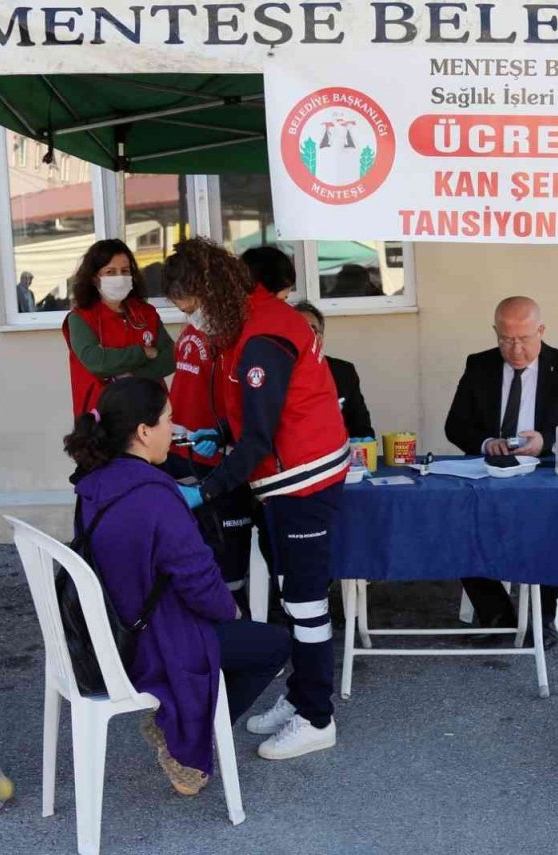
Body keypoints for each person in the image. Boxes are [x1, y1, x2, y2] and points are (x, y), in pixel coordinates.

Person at [164, 240, 348, 761]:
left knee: (306, 601)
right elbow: (246, 416)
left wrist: (206, 488)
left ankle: (317, 718)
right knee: (292, 595)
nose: (191, 321)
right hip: (280, 479)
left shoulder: (263, 336)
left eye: (191, 308)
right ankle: (300, 694)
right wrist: (215, 433)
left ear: (214, 293)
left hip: (302, 481)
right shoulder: (242, 324)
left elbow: (260, 439)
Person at [64, 378, 290, 795]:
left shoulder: (93, 482)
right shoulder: (154, 494)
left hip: (103, 635)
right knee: (273, 645)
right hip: (151, 644)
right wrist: (231, 610)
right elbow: (200, 580)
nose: (175, 428)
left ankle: (181, 720)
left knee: (240, 637)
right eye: (168, 419)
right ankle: (182, 733)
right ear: (144, 431)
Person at [444, 296, 558, 647]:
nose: (515, 349)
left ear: (541, 331)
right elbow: (455, 426)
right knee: (454, 516)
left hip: (548, 469)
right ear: (495, 333)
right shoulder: (479, 365)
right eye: (506, 339)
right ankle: (497, 614)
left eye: (524, 339)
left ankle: (540, 617)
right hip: (493, 469)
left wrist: (546, 440)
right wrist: (486, 442)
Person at [165, 252, 257, 614]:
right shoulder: (202, 335)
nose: (186, 311)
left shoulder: (216, 335)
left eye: (188, 301)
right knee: (222, 552)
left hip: (210, 453)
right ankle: (232, 624)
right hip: (205, 455)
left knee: (225, 551)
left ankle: (235, 620)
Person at [61, 239, 175, 417]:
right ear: (94, 278)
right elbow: (97, 362)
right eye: (110, 272)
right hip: (103, 416)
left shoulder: (146, 313)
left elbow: (171, 356)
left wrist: (132, 375)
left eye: (125, 271)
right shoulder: (81, 318)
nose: (119, 277)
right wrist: (143, 353)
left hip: (150, 412)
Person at [295, 301, 374, 439]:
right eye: (299, 329)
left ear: (321, 338)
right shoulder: (276, 374)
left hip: (337, 455)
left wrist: (364, 446)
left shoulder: (344, 372)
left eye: (312, 329)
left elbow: (361, 426)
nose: (306, 336)